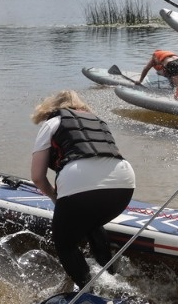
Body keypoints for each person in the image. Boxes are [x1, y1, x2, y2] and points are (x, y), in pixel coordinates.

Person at [30, 91, 136, 289]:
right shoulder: (98, 121)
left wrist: (56, 198)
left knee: (65, 244)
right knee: (91, 222)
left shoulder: (52, 122)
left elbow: (37, 177)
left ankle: (89, 293)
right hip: (125, 182)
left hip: (79, 181)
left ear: (50, 108)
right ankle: (114, 281)